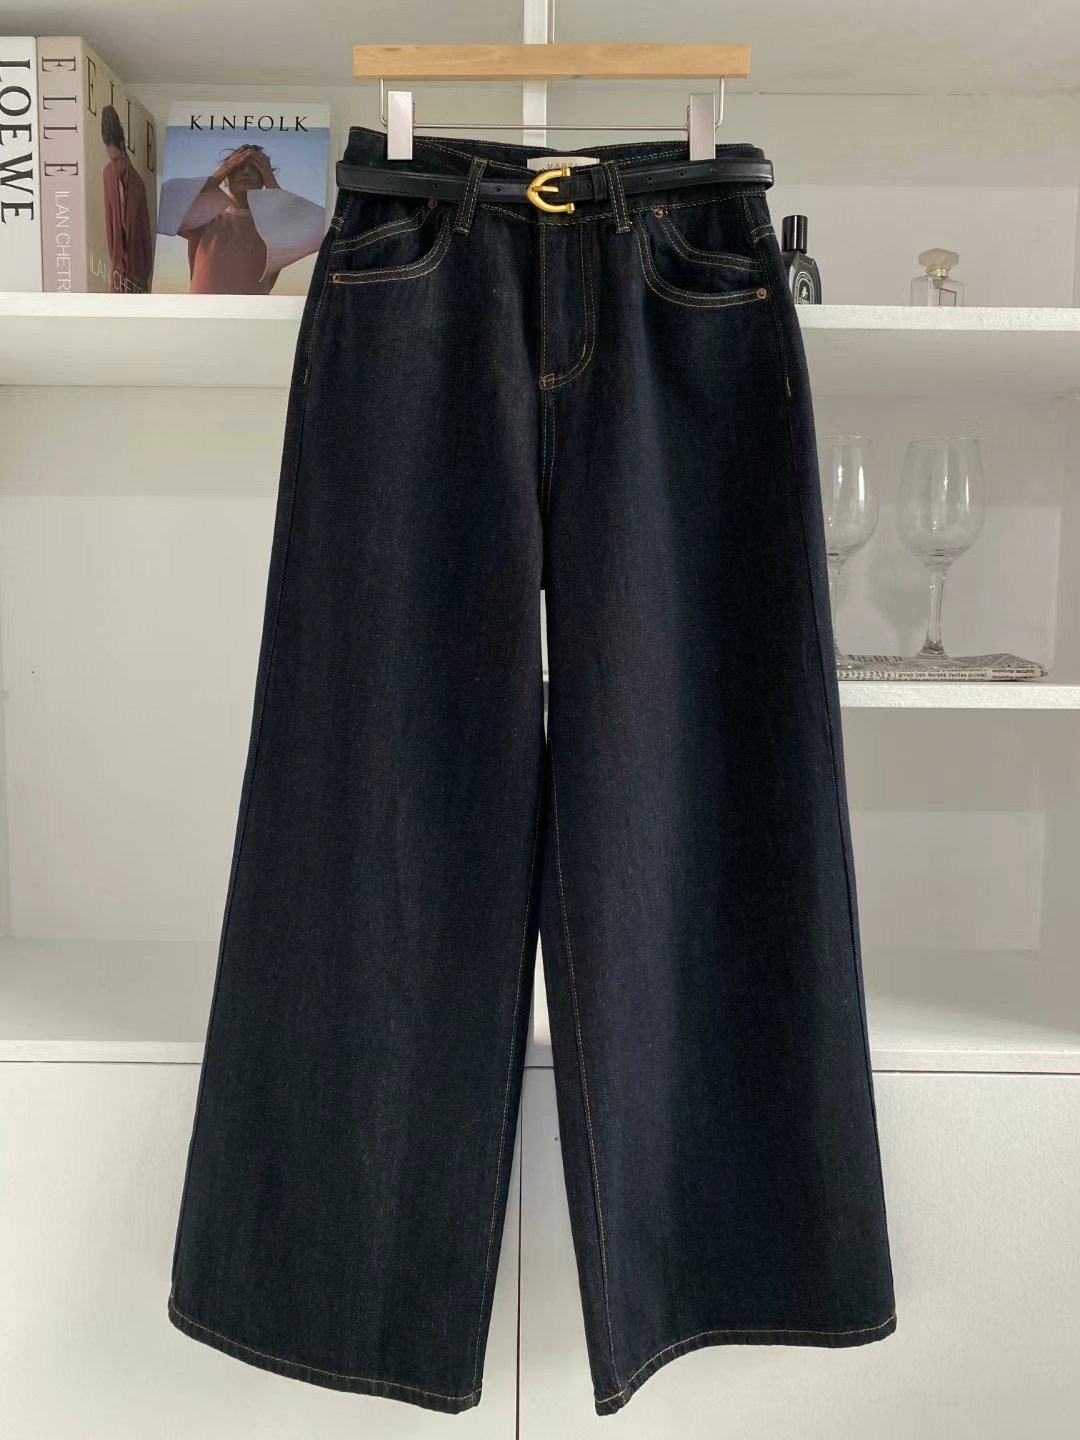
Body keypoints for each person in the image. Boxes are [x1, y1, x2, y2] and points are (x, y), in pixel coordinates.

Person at [157, 142, 325, 295]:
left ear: (263, 179)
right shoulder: (205, 216)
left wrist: (270, 180)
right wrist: (215, 178)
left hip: (252, 312)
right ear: (226, 179)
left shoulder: (273, 225)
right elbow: (160, 204)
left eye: (255, 169)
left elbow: (320, 229)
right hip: (203, 310)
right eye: (237, 168)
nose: (246, 172)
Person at [101, 104, 154, 293]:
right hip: (118, 271)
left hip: (137, 272)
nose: (114, 167)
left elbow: (146, 237)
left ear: (123, 149)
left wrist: (143, 275)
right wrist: (116, 263)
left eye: (116, 160)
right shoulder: (107, 175)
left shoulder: (138, 186)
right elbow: (110, 224)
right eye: (111, 160)